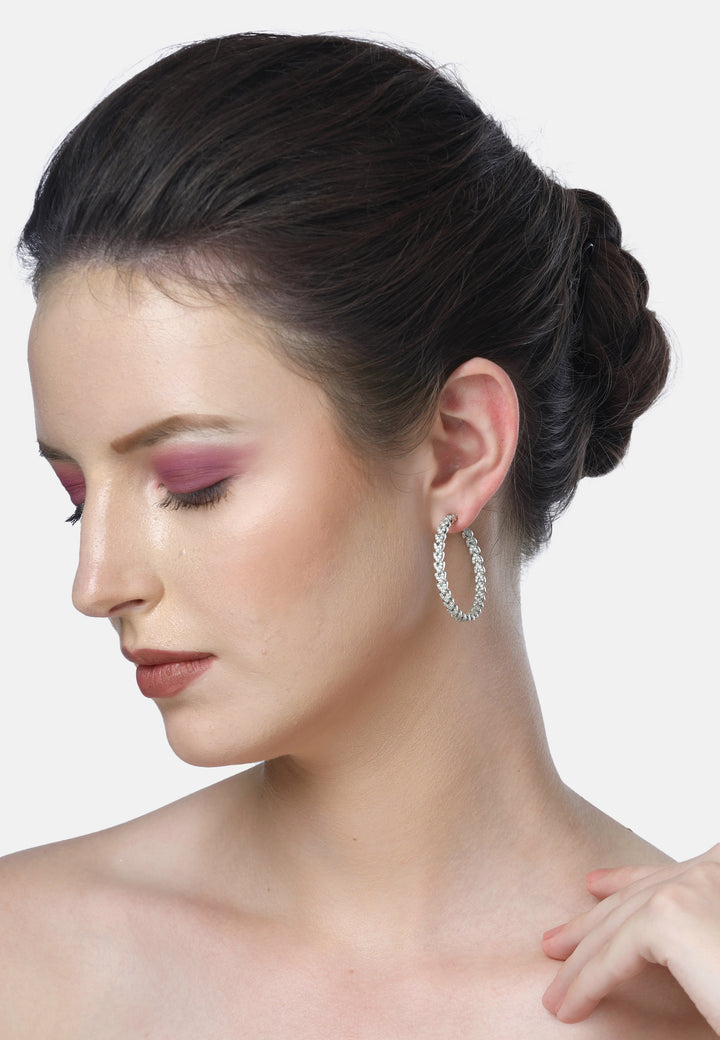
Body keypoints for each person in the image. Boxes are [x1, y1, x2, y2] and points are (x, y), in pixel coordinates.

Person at [1, 31, 718, 1037]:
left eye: (193, 484)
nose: (96, 582)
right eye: (78, 494)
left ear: (459, 447)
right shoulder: (26, 961)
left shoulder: (688, 996)